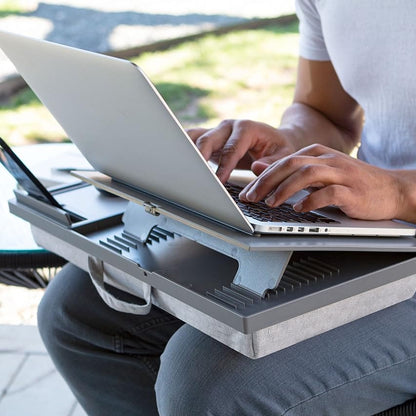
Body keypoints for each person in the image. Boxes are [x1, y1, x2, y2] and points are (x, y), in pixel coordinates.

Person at [38, 1, 416, 415]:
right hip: (373, 222)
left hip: (396, 213)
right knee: (77, 311)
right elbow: (326, 112)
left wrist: (400, 190)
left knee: (209, 382)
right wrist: (288, 142)